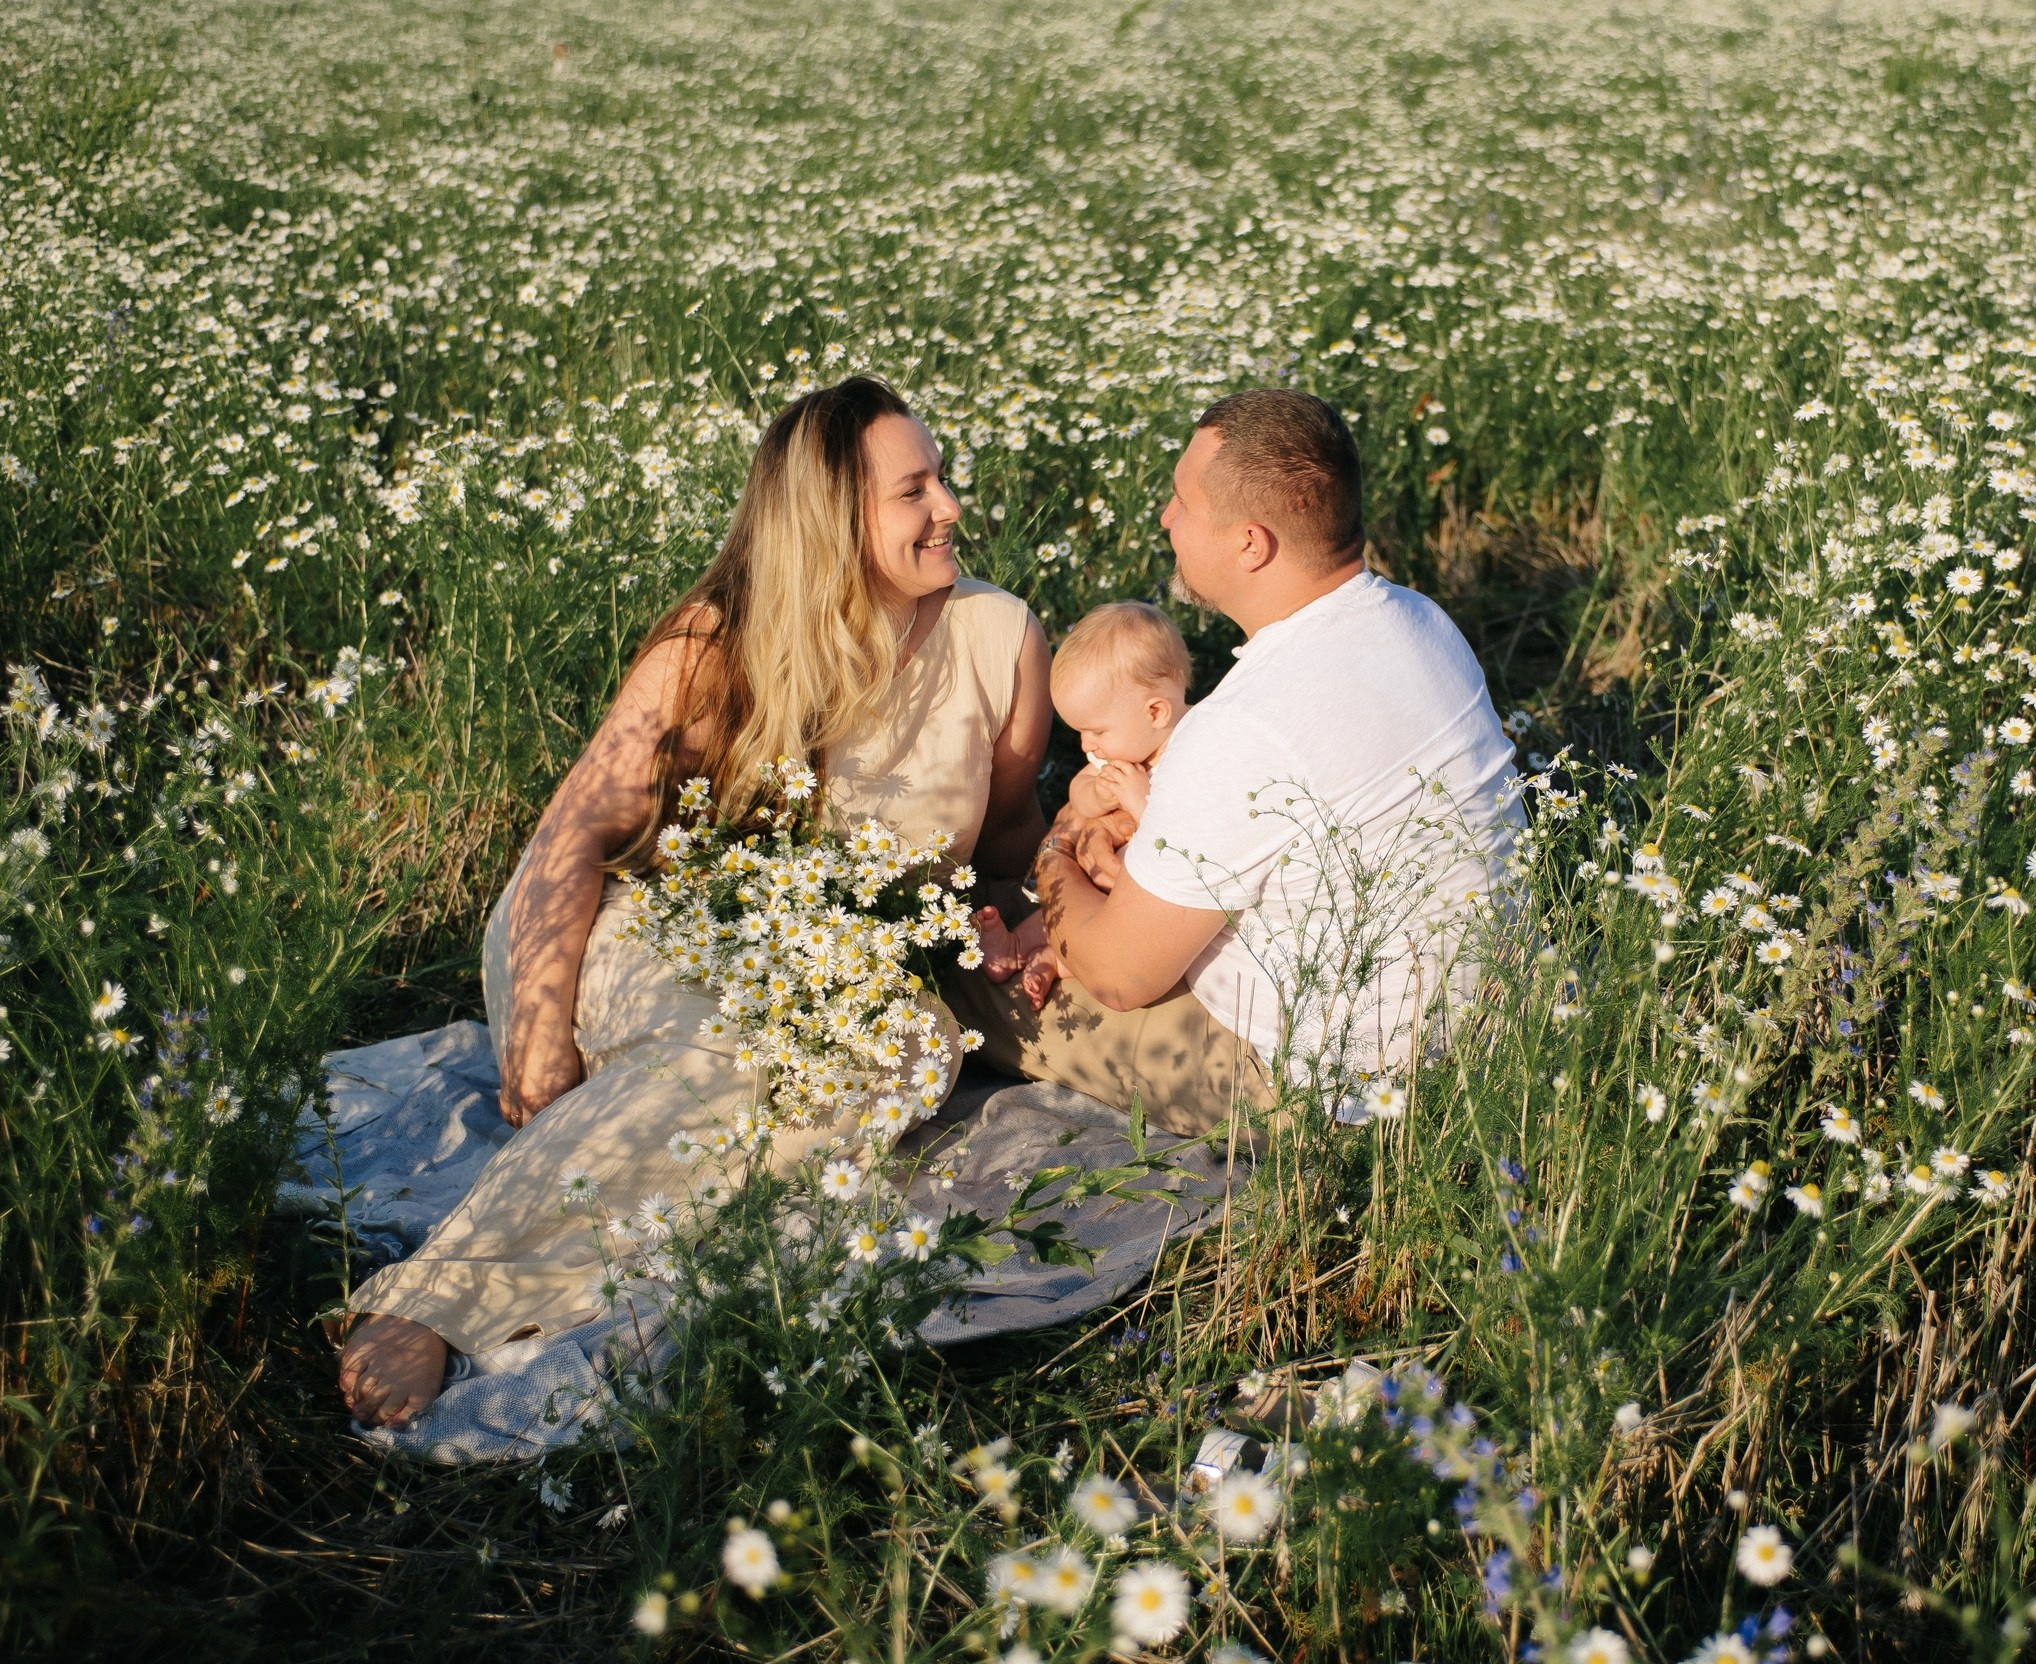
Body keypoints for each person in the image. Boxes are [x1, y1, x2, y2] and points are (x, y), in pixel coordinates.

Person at [337, 377, 1052, 1429]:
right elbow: (573, 836)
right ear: (830, 520)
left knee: (903, 1044)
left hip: (826, 969)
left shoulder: (999, 636)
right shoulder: (716, 646)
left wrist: (1031, 908)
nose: (949, 505)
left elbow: (1005, 844)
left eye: (939, 478)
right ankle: (442, 1300)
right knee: (729, 1049)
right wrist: (537, 1029)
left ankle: (624, 1217)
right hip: (638, 924)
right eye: (915, 490)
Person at [956, 388, 1519, 1129]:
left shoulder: (1245, 725)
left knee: (964, 970)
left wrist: (1058, 847)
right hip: (1490, 1029)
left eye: (1183, 503)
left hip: (1332, 1085)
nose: (1165, 518)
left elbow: (1122, 978)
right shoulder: (1423, 621)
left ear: (1251, 543)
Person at [973, 601, 1192, 1006]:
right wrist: (1098, 793)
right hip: (1098, 886)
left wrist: (1140, 803)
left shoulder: (1190, 752)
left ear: (1156, 711)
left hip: (1144, 902)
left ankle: (1056, 960)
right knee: (1057, 912)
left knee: (1111, 925)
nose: (1087, 745)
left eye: (1095, 731)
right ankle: (1019, 945)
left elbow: (1183, 833)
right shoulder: (1120, 748)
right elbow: (1079, 792)